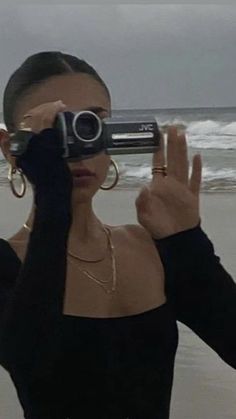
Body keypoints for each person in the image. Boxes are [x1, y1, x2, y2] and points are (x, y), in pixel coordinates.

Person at [0, 51, 235, 419]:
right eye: (57, 128)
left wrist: (188, 243)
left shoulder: (147, 249)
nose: (78, 146)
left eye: (92, 124)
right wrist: (52, 198)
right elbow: (32, 360)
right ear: (10, 150)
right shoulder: (8, 263)